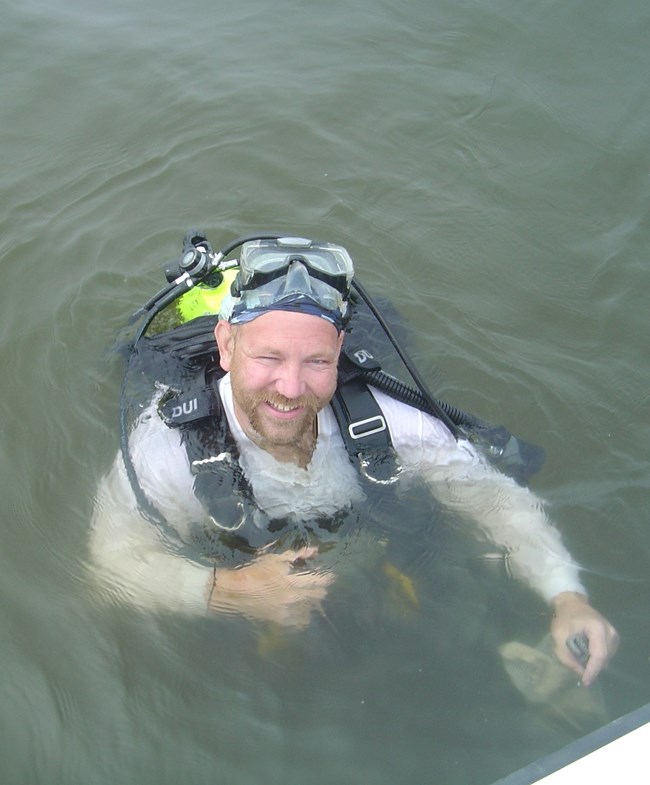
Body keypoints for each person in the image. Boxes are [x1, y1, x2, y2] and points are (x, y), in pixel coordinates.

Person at [90, 235, 619, 687]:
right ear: (226, 346)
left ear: (339, 352)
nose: (291, 389)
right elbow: (110, 562)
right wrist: (227, 592)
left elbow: (493, 499)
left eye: (316, 360)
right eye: (268, 357)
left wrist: (565, 594)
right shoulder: (165, 450)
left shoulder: (388, 420)